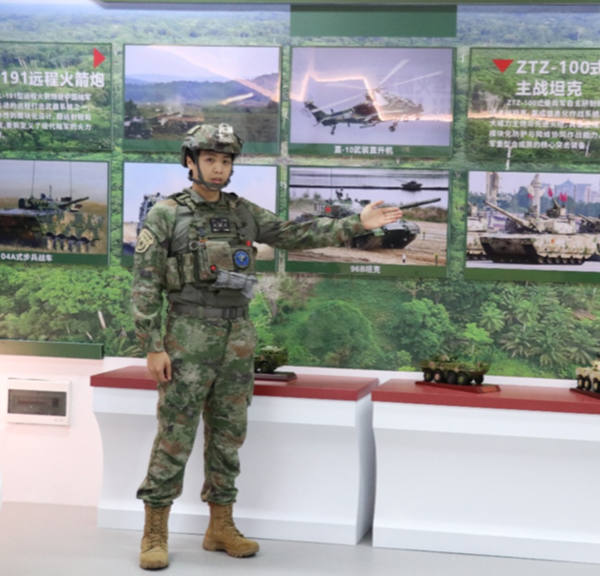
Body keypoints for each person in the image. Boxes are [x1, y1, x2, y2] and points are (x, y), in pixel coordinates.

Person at [131, 123, 402, 570]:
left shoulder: (243, 213)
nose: (218, 169)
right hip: (187, 336)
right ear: (190, 162)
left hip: (237, 336)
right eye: (210, 160)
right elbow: (145, 284)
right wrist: (153, 345)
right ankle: (154, 530)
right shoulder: (166, 214)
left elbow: (294, 234)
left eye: (225, 161)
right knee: (174, 435)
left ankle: (221, 527)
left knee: (229, 433)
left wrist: (357, 223)